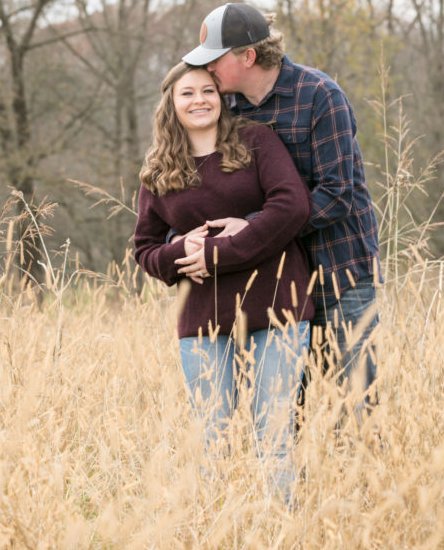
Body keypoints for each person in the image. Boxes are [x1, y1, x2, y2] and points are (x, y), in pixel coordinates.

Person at [182, 2, 382, 434]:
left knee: (353, 411)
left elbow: (338, 193)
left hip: (338, 275)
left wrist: (258, 226)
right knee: (288, 419)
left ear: (247, 57)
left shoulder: (319, 96)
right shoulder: (229, 111)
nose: (207, 72)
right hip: (275, 287)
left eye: (213, 60)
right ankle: (302, 503)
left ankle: (365, 497)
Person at [133, 61, 314, 502]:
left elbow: (291, 206)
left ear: (221, 97)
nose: (199, 100)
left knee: (274, 432)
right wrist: (181, 253)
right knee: (211, 437)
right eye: (187, 93)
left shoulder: (256, 142)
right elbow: (145, 250)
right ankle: (216, 538)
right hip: (203, 322)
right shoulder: (159, 169)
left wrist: (214, 255)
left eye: (208, 90)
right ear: (171, 105)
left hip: (276, 307)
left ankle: (284, 535)